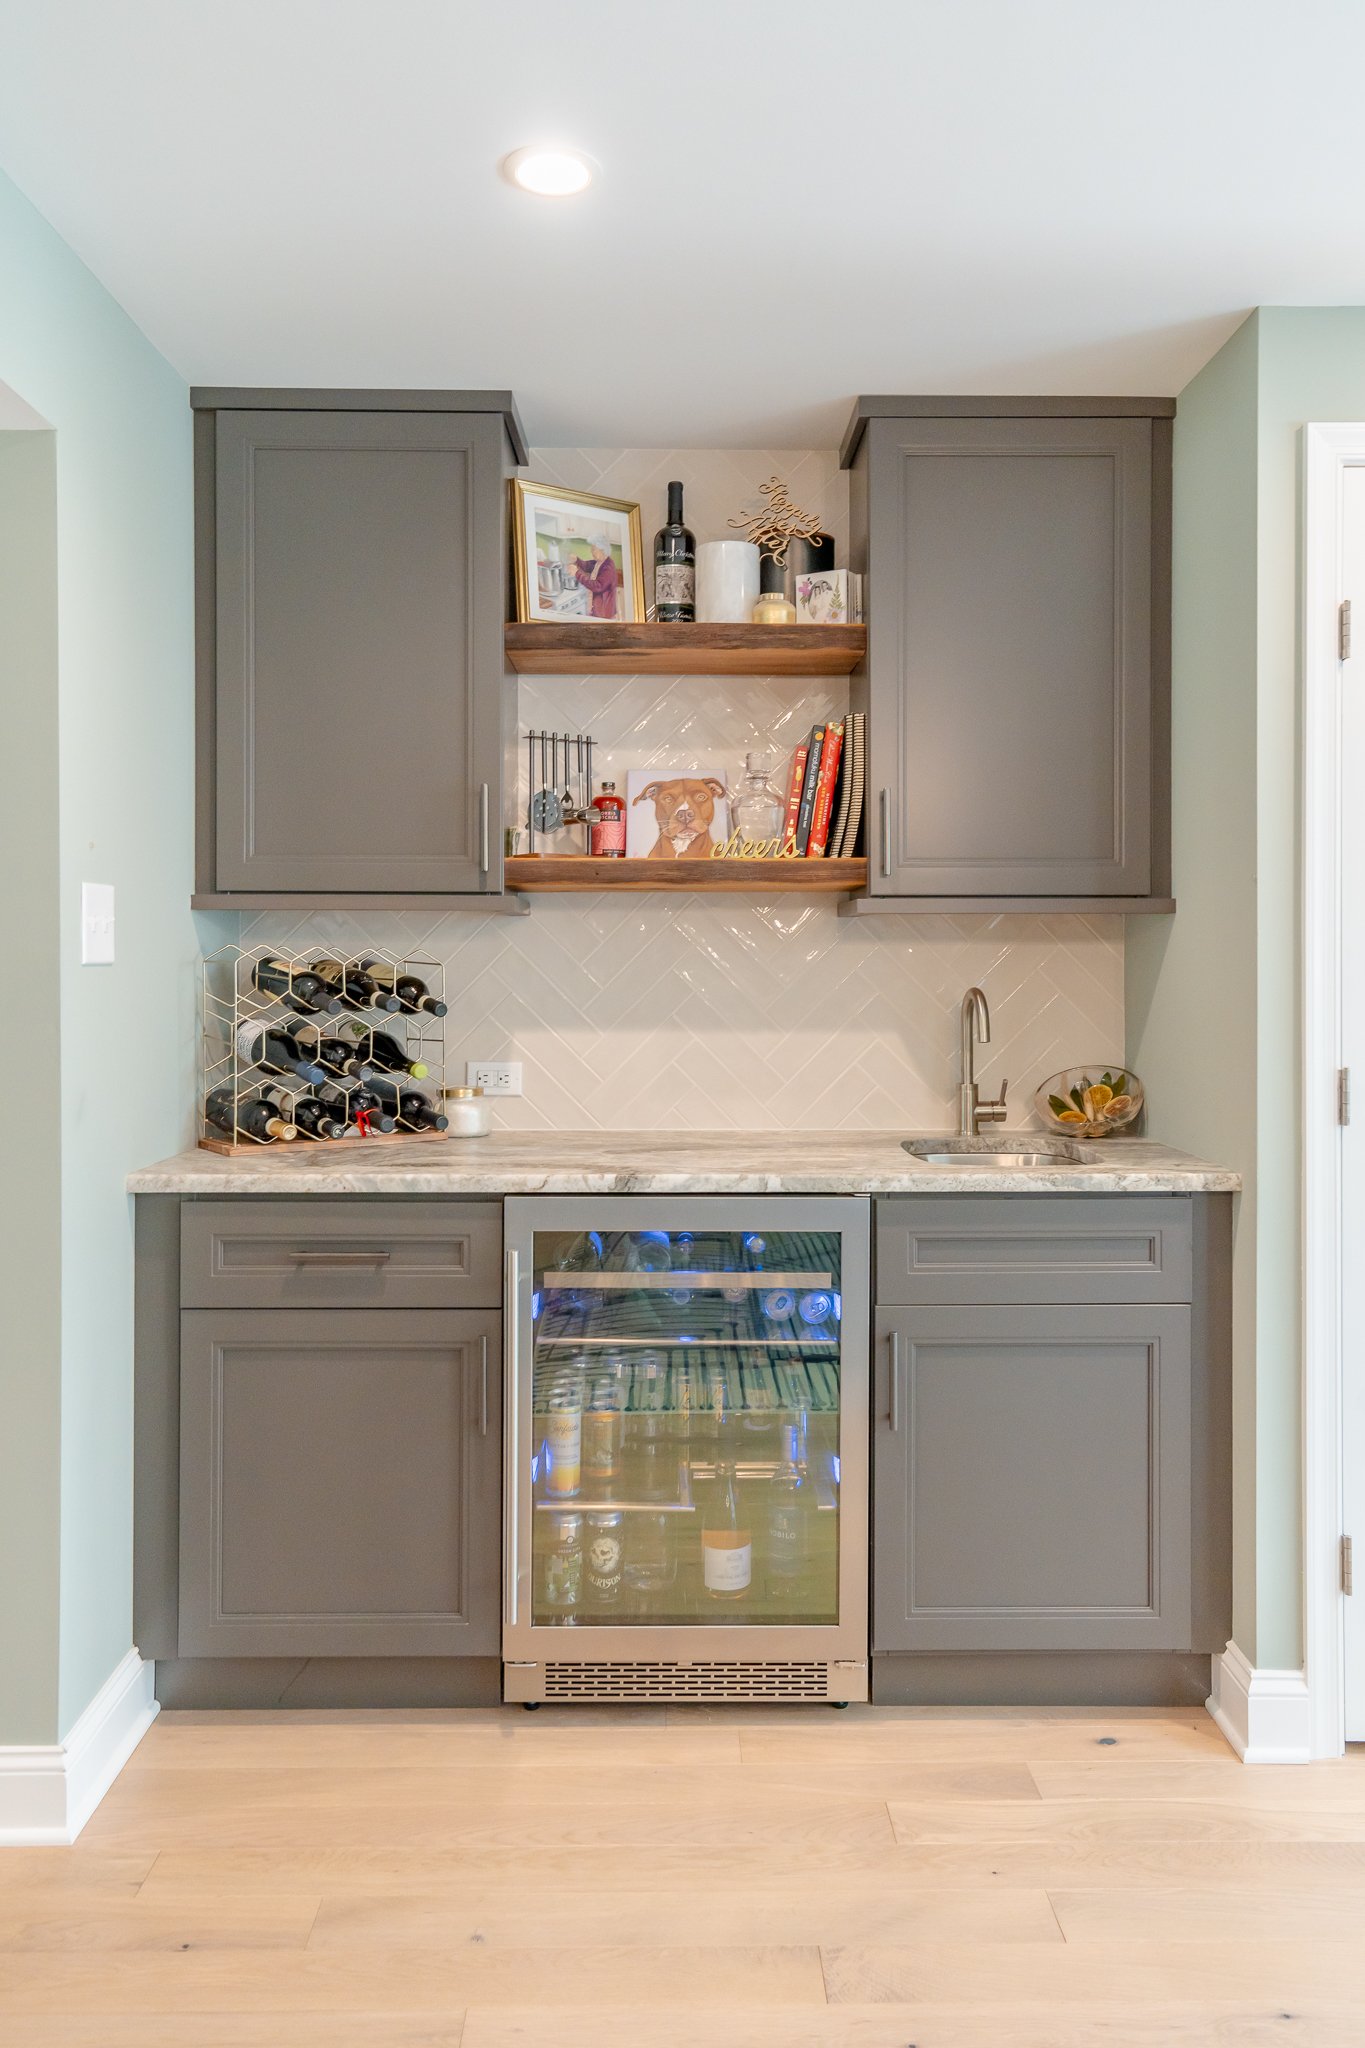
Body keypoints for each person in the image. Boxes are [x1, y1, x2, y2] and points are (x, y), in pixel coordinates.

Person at [571, 537, 620, 620]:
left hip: (604, 614)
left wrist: (577, 573)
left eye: (593, 549)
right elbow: (586, 565)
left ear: (602, 550)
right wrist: (576, 559)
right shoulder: (599, 562)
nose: (591, 551)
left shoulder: (608, 567)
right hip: (597, 610)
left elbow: (597, 586)